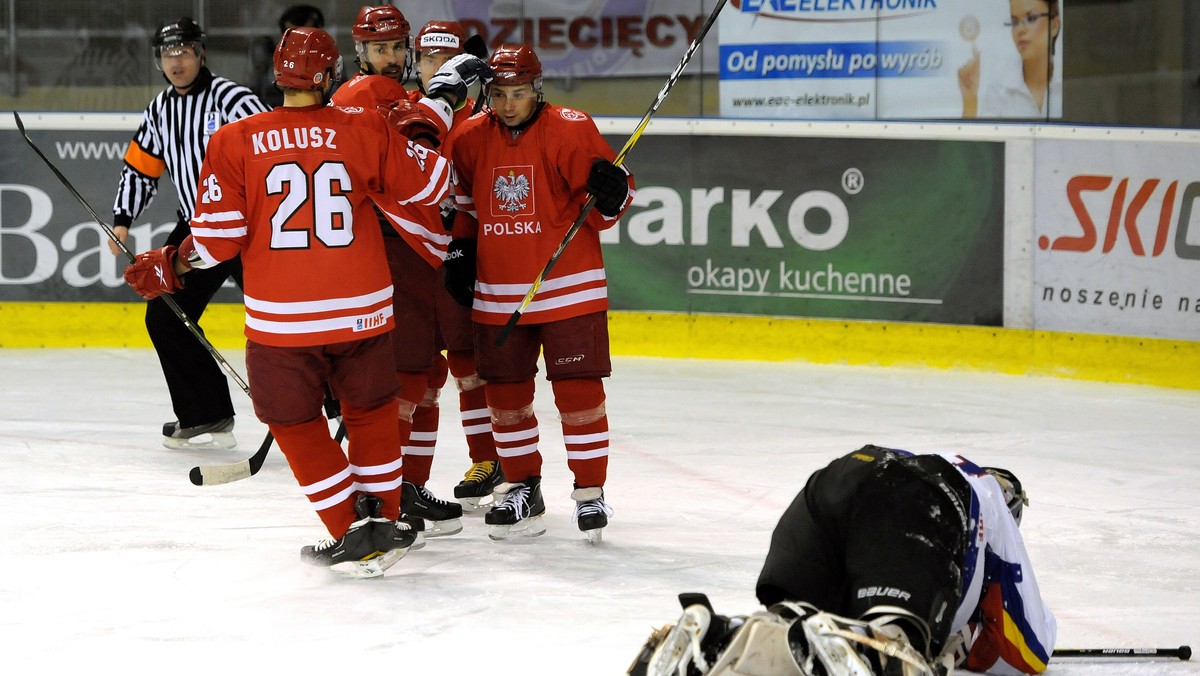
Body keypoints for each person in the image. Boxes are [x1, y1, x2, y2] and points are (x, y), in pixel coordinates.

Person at [121, 27, 487, 576]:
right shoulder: (363, 129)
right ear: (332, 75)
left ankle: (348, 526)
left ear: (277, 75)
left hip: (283, 320)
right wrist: (435, 112)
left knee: (292, 420)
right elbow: (434, 183)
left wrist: (170, 263)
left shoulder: (236, 139)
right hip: (363, 309)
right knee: (370, 413)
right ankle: (383, 522)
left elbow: (216, 240)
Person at [631, 444, 1056, 675]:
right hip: (912, 500)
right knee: (895, 647)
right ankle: (873, 648)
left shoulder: (916, 460)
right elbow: (1031, 650)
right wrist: (967, 637)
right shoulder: (985, 495)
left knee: (797, 627)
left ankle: (718, 637)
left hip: (827, 487)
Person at [443, 43, 636, 543]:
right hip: (499, 292)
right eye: (500, 93)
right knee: (506, 398)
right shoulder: (467, 139)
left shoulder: (571, 129)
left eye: (520, 93)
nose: (509, 105)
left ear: (538, 89)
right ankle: (523, 487)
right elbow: (464, 205)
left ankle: (590, 495)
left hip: (570, 289)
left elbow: (608, 206)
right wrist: (461, 250)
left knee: (579, 396)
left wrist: (613, 192)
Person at [329, 8, 490, 537]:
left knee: (421, 376)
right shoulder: (362, 94)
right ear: (360, 52)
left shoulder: (390, 94)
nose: (392, 58)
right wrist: (442, 96)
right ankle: (388, 490)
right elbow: (411, 148)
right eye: (382, 49)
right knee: (401, 379)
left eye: (399, 47)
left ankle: (407, 486)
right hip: (388, 247)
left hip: (414, 250)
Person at [111, 17, 269, 450]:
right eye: (167, 54)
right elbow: (141, 166)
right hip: (198, 227)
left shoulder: (234, 100)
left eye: (183, 51)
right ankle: (206, 414)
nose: (175, 61)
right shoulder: (160, 109)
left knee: (284, 320)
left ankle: (332, 405)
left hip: (253, 226)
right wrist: (123, 216)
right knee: (165, 317)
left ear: (200, 53)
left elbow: (276, 151)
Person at [959, 0, 1062, 119]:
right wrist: (970, 103)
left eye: (1031, 18)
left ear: (1054, 26)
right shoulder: (999, 90)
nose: (1020, 29)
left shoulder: (1070, 83)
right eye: (1014, 22)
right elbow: (985, 137)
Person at [249, 5, 326, 108]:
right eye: (293, 35)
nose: (300, 43)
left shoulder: (327, 61)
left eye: (306, 35)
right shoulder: (269, 58)